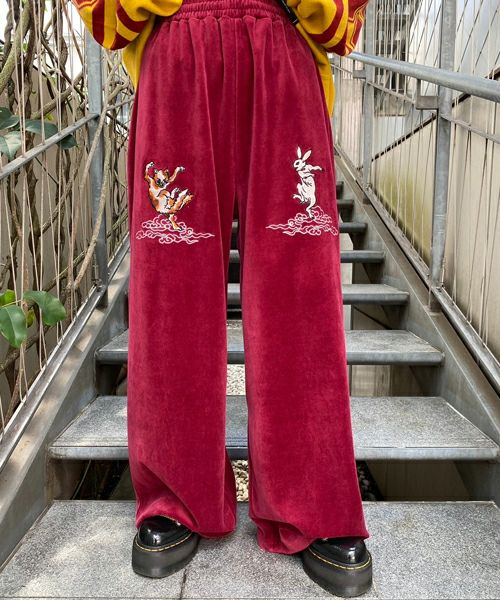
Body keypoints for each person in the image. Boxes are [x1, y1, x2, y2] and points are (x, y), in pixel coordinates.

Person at [72, 0, 372, 596]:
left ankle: (313, 499)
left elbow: (343, 25)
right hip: (176, 58)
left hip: (284, 46)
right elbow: (106, 19)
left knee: (302, 297)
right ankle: (174, 494)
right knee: (169, 295)